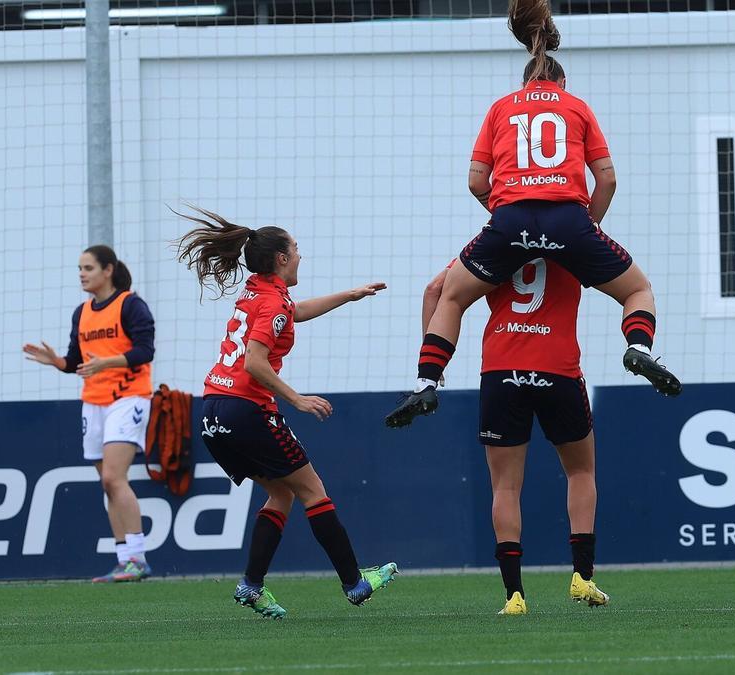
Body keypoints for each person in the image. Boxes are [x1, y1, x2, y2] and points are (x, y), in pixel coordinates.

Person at [384, 0, 680, 429]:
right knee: (638, 291)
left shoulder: (501, 108)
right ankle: (639, 348)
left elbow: (475, 180)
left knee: (450, 296)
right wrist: (585, 227)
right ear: (563, 81)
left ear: (523, 80)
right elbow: (608, 179)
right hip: (569, 222)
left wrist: (506, 213)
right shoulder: (576, 107)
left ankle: (426, 382)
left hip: (510, 221)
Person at [175, 207, 397, 618]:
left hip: (213, 411)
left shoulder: (257, 291)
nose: (300, 255)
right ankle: (355, 582)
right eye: (295, 249)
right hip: (248, 410)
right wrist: (297, 400)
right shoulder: (273, 302)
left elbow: (292, 313)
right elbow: (255, 363)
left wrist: (349, 295)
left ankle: (251, 586)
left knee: (281, 492)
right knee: (312, 490)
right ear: (280, 258)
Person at [423, 257, 609, 615]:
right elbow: (597, 222)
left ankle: (514, 596)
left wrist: (433, 362)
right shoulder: (569, 233)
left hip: (501, 369)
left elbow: (434, 290)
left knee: (505, 488)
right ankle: (583, 576)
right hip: (558, 368)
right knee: (581, 472)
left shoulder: (495, 239)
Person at [24, 246, 156, 583]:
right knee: (107, 483)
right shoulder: (81, 312)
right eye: (80, 268)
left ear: (108, 270)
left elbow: (145, 350)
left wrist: (106, 363)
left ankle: (138, 558)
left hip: (128, 398)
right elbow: (76, 361)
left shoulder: (130, 304)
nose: (82, 274)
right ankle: (125, 559)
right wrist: (58, 363)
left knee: (114, 477)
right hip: (93, 401)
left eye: (88, 268)